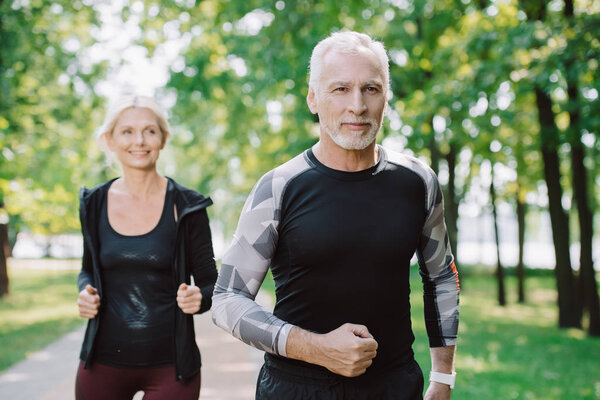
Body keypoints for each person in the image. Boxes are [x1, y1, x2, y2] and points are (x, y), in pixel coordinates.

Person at [211, 31, 460, 400]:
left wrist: (443, 377)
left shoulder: (419, 182)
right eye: (340, 89)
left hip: (394, 385)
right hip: (296, 389)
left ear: (386, 99)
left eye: (371, 89)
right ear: (313, 99)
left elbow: (440, 277)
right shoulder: (278, 187)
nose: (357, 106)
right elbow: (227, 298)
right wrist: (315, 347)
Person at [75, 95, 217, 400]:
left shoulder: (188, 206)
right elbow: (88, 270)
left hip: (172, 368)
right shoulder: (93, 203)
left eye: (149, 131)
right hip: (102, 364)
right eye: (127, 131)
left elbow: (211, 285)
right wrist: (85, 291)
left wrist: (199, 297)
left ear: (163, 138)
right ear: (110, 140)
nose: (139, 141)